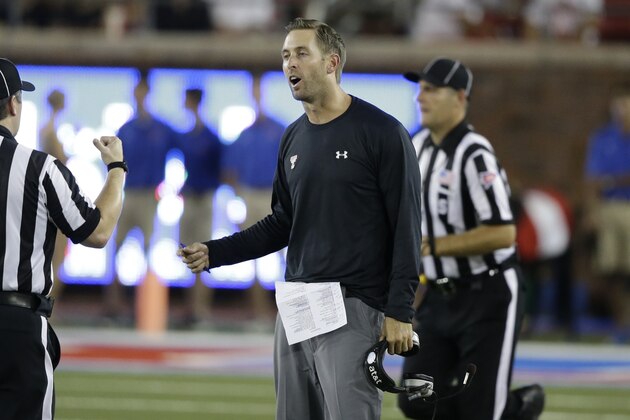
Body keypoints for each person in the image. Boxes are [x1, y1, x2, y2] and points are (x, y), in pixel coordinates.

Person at [178, 18, 423, 419]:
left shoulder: (382, 132)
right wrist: (215, 252)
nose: (290, 64)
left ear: (332, 63)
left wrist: (400, 312)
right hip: (298, 304)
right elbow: (283, 222)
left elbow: (407, 227)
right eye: (285, 56)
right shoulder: (293, 137)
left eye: (301, 54)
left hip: (354, 304)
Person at [397, 57, 544, 420]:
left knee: (479, 410)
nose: (421, 97)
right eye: (420, 89)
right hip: (439, 296)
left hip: (486, 296)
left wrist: (434, 247)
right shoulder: (416, 147)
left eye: (432, 90)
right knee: (417, 399)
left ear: (460, 97)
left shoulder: (474, 152)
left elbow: (504, 232)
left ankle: (518, 408)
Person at [0, 58, 125, 419]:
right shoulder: (40, 168)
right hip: (17, 324)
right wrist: (116, 170)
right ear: (13, 104)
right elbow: (97, 231)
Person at [103, 71, 176, 319]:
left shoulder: (161, 128)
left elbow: (183, 150)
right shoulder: (127, 128)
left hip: (148, 196)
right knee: (116, 248)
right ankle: (113, 304)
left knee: (147, 251)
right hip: (130, 193)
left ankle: (144, 306)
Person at [223, 73, 286, 324]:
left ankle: (286, 313)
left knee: (284, 259)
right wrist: (239, 196)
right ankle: (259, 312)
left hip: (274, 198)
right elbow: (229, 172)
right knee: (253, 258)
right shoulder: (245, 134)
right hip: (251, 195)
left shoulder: (278, 130)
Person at [584, 83, 630, 342]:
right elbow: (593, 181)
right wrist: (592, 211)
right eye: (620, 107)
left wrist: (612, 181)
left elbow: (605, 180)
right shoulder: (603, 138)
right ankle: (620, 324)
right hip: (611, 207)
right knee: (610, 268)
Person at [177, 87, 223, 325]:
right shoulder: (186, 136)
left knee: (203, 253)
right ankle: (190, 309)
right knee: (187, 253)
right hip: (190, 198)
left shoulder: (209, 137)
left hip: (204, 199)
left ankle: (202, 309)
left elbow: (220, 171)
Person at [39, 89, 69, 301]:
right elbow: (59, 161)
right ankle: (52, 308)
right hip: (54, 197)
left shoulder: (48, 128)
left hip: (50, 195)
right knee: (56, 259)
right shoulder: (49, 130)